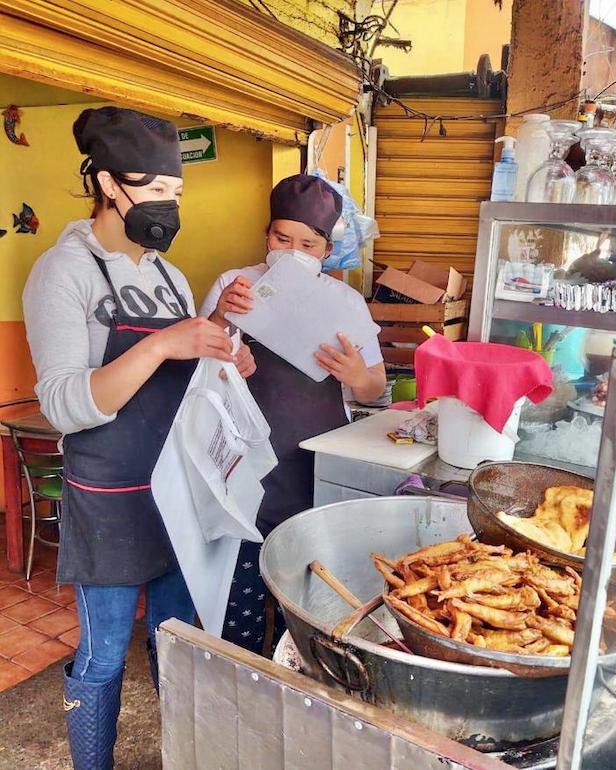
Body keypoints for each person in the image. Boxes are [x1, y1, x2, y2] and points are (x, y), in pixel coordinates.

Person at [22, 106, 254, 770]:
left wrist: (217, 342)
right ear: (106, 184)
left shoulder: (166, 274)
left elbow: (177, 373)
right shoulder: (62, 272)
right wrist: (161, 345)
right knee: (101, 654)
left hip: (177, 494)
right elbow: (66, 404)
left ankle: (182, 755)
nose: (167, 206)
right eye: (153, 190)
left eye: (174, 193)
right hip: (111, 499)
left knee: (177, 640)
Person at [200, 174, 386, 654]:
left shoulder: (345, 301)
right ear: (267, 236)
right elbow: (201, 366)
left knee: (306, 580)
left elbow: (375, 385)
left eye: (307, 243)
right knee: (240, 577)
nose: (292, 249)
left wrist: (353, 372)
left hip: (313, 463)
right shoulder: (234, 285)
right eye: (283, 238)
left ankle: (299, 665)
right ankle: (239, 666)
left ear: (325, 251)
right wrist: (223, 326)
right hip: (246, 458)